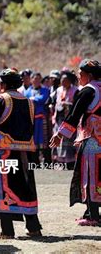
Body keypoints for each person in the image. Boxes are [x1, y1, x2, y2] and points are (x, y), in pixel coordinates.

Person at [0, 69, 42, 239]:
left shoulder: (1, 99)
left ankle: (7, 230)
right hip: (25, 152)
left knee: (4, 190)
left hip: (3, 152)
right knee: (25, 188)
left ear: (3, 85)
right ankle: (33, 227)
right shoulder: (28, 102)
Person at [50, 59, 101, 226]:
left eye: (81, 74)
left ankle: (93, 215)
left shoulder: (88, 90)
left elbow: (74, 114)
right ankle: (90, 211)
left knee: (90, 174)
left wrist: (60, 135)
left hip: (92, 139)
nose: (79, 77)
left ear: (89, 75)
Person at [52, 72, 78, 168]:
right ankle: (60, 161)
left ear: (70, 81)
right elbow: (53, 101)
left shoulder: (75, 90)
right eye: (62, 80)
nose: (63, 82)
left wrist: (67, 104)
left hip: (69, 119)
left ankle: (70, 162)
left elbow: (77, 105)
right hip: (59, 118)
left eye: (65, 80)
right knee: (59, 139)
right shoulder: (58, 90)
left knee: (69, 140)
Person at [24, 72, 51, 163]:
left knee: (44, 139)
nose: (36, 81)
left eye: (38, 79)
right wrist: (34, 99)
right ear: (31, 80)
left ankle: (47, 161)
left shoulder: (45, 90)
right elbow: (26, 100)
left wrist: (33, 99)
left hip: (42, 118)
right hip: (31, 119)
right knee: (33, 140)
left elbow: (42, 99)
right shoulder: (27, 91)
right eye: (35, 79)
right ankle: (35, 161)